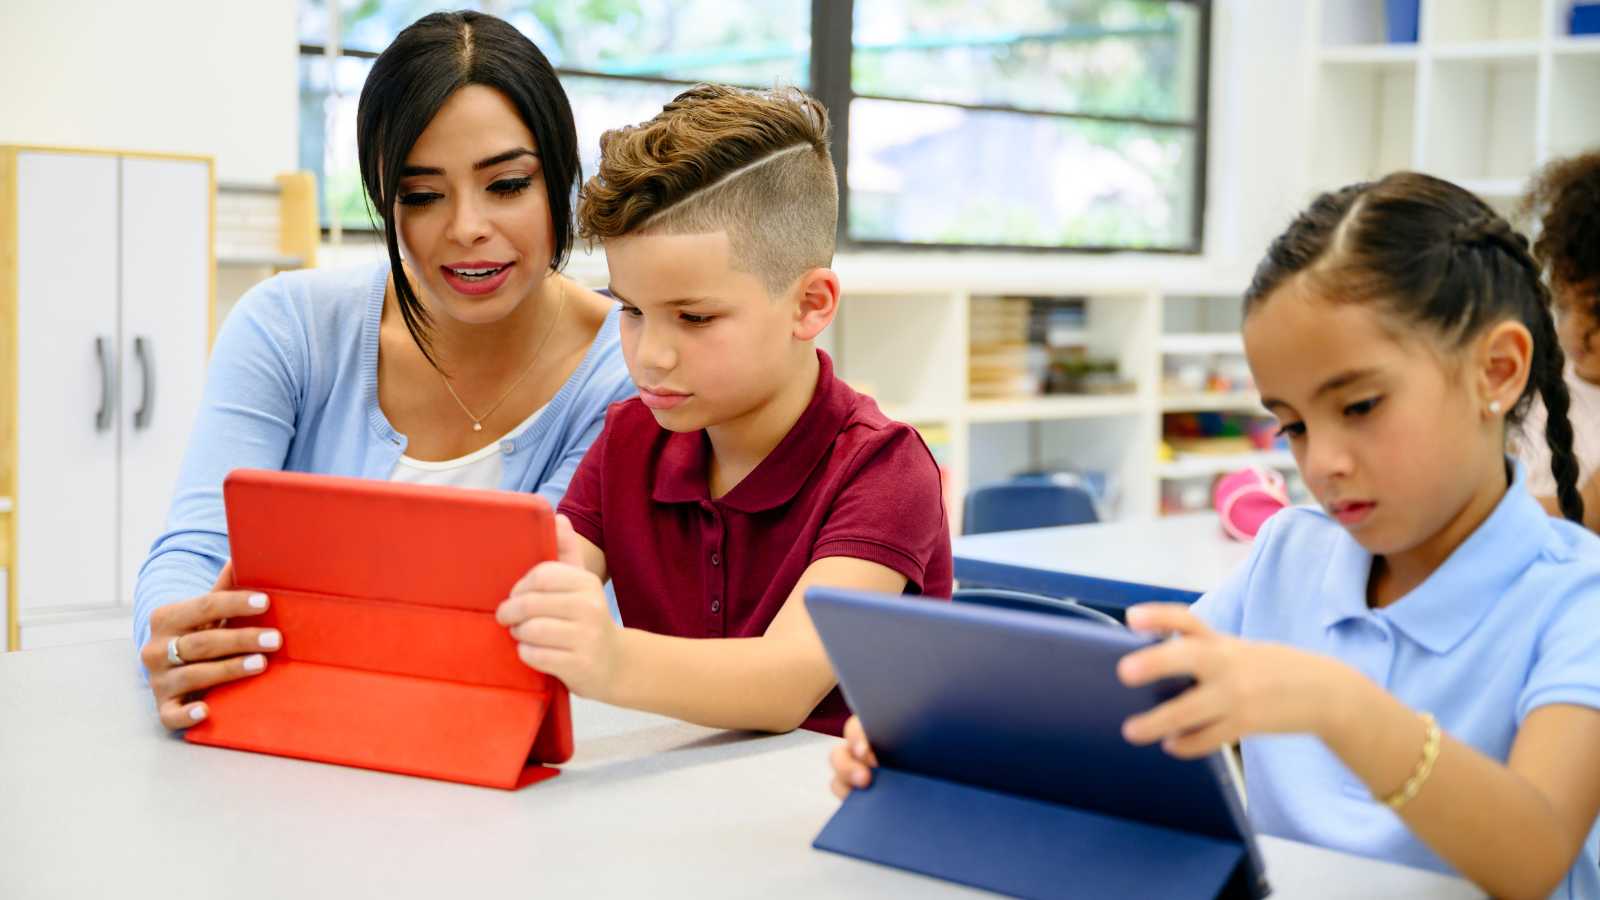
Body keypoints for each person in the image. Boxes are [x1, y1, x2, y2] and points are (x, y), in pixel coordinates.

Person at [831, 173, 1600, 898]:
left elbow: (1534, 855)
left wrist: (1338, 704)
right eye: (1293, 425)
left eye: (1361, 405)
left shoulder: (1578, 598)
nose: (1322, 463)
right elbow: (1125, 708)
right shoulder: (1291, 554)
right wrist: (941, 743)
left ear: (1496, 372)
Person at [135, 11, 634, 730]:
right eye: (422, 194)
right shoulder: (290, 327)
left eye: (506, 185)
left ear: (558, 176)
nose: (466, 226)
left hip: (497, 772)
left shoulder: (628, 367)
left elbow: (517, 619)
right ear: (383, 200)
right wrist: (178, 638)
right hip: (291, 754)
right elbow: (195, 549)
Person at [493, 84, 952, 736]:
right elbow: (546, 587)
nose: (651, 355)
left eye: (694, 317)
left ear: (811, 305)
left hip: (829, 813)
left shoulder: (884, 469)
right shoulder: (628, 438)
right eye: (630, 310)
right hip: (682, 808)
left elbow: (786, 682)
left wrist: (610, 656)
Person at [1515, 150, 1600, 530]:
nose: (1570, 333)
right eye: (1563, 308)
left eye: (1597, 311)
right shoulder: (1540, 383)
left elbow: (1587, 516)